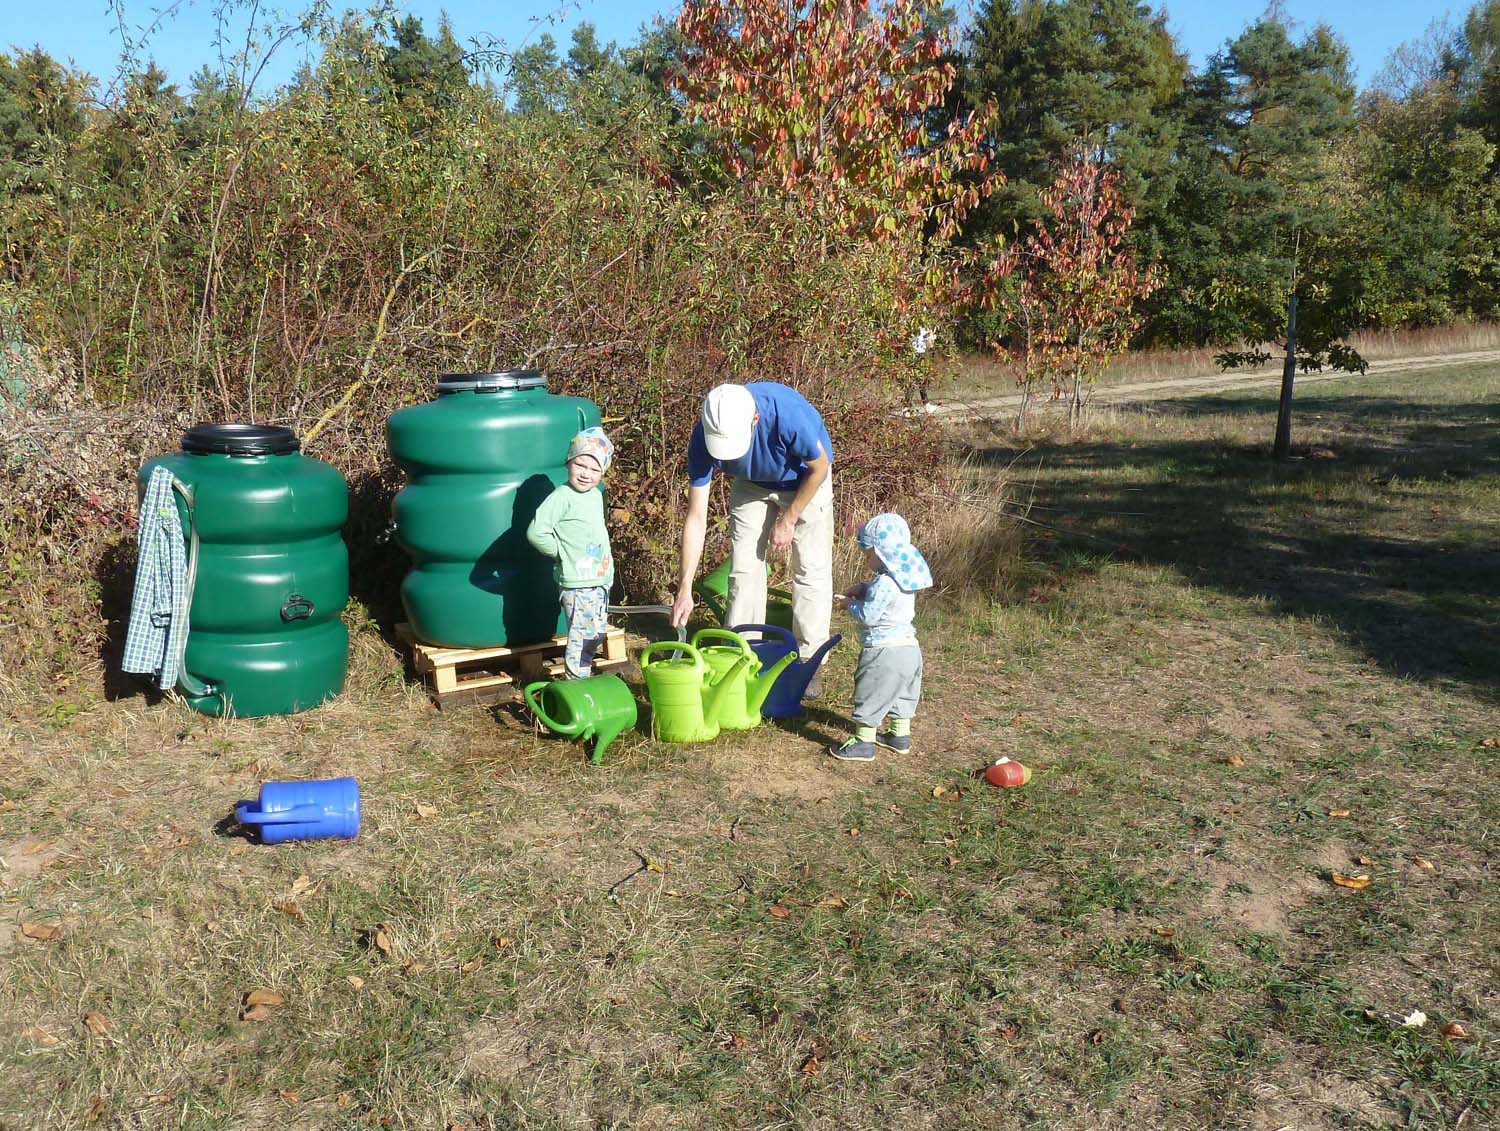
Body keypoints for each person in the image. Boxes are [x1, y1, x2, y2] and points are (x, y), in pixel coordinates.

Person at [669, 383, 835, 688]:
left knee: (810, 569)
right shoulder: (703, 436)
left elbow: (819, 466)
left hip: (806, 481)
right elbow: (696, 517)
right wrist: (684, 588)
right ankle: (743, 653)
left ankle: (808, 662)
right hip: (751, 484)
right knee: (744, 566)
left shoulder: (786, 415)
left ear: (754, 420)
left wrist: (789, 517)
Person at [829, 513, 932, 762]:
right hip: (909, 649)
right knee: (902, 693)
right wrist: (864, 588)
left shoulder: (885, 581)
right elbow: (887, 598)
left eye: (868, 555)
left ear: (881, 552)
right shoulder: (904, 577)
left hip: (883, 651)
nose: (867, 560)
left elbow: (869, 615)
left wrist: (849, 604)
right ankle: (899, 736)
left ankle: (864, 742)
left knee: (872, 690)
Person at [526, 427, 615, 678]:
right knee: (581, 635)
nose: (586, 474)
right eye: (581, 465)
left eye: (595, 469)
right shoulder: (561, 496)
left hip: (599, 579)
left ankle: (584, 675)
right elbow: (536, 532)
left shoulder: (596, 495)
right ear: (569, 462)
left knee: (596, 633)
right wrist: (561, 553)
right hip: (577, 583)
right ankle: (576, 681)